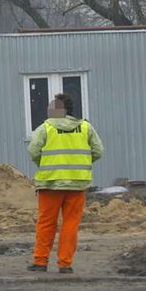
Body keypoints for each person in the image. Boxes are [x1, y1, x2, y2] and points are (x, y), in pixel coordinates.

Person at [27, 93, 104, 274]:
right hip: (77, 183)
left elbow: (33, 150)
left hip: (50, 183)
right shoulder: (86, 127)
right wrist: (82, 162)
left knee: (46, 223)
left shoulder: (46, 128)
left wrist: (44, 163)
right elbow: (98, 151)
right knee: (70, 224)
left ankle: (40, 262)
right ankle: (65, 264)